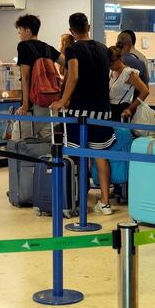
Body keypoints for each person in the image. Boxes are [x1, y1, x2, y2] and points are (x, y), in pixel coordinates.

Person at [50, 13, 116, 215]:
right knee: (100, 156)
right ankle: (105, 202)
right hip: (103, 110)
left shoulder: (73, 48)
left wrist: (62, 100)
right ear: (88, 26)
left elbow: (74, 75)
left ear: (71, 31)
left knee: (77, 155)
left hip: (80, 111)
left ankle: (79, 200)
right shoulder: (104, 48)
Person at [14, 15, 61, 139]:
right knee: (47, 145)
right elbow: (69, 64)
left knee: (19, 141)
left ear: (28, 31)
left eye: (20, 30)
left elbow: (26, 76)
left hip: (34, 104)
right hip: (51, 104)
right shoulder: (47, 47)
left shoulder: (23, 46)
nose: (19, 34)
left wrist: (25, 105)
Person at [109, 45, 150, 120]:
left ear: (120, 59)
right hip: (110, 111)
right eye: (108, 62)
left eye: (112, 61)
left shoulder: (129, 73)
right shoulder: (111, 72)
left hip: (122, 112)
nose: (110, 65)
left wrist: (131, 108)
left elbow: (145, 91)